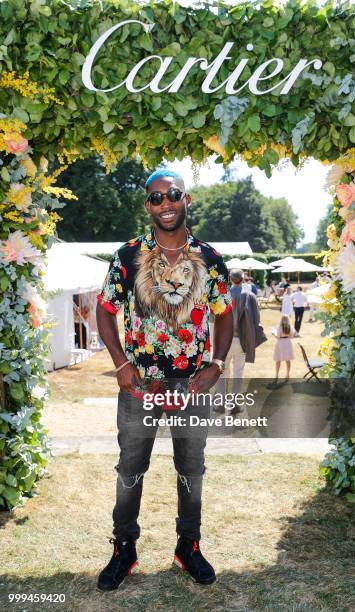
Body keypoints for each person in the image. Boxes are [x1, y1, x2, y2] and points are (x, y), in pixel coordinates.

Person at [96, 169, 233, 590]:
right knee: (130, 468)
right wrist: (121, 363)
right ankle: (124, 549)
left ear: (185, 198)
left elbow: (225, 314)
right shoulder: (128, 255)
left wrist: (217, 363)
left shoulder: (209, 258)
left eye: (172, 195)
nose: (165, 204)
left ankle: (188, 546)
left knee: (191, 468)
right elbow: (104, 310)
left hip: (192, 386)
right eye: (156, 198)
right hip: (140, 386)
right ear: (147, 206)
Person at [215, 268, 267, 414]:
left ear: (230, 279)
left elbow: (213, 320)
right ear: (243, 279)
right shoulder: (250, 296)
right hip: (241, 341)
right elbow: (257, 320)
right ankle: (235, 405)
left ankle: (220, 404)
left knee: (222, 373)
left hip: (223, 342)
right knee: (238, 373)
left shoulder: (222, 296)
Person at [273, 315, 295, 381]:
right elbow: (291, 337)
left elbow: (278, 337)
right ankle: (287, 374)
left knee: (278, 360)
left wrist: (274, 334)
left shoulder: (279, 327)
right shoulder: (290, 327)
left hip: (280, 344)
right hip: (288, 343)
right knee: (288, 360)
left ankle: (276, 375)